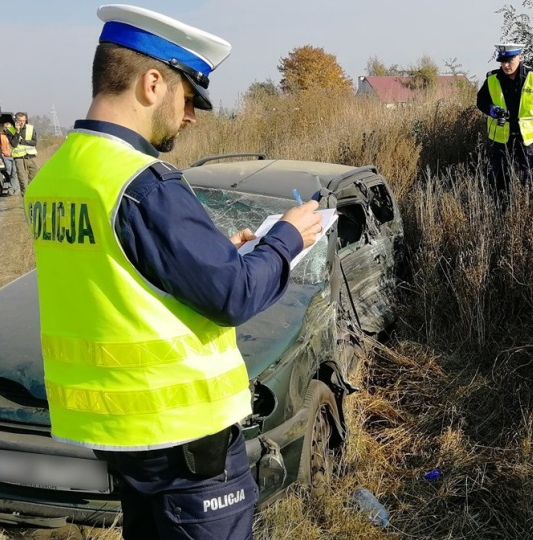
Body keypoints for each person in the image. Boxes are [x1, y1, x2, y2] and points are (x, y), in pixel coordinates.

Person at [23, 5, 322, 539]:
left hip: (116, 433)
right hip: (184, 441)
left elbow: (118, 276)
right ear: (152, 83)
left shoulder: (57, 175)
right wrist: (288, 237)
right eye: (189, 98)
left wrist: (206, 254)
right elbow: (234, 295)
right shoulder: (143, 184)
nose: (191, 116)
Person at [476, 43, 533, 200]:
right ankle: (502, 209)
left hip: (528, 139)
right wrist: (493, 110)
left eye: (510, 60)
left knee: (530, 176)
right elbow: (481, 102)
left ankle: (528, 209)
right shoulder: (492, 79)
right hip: (500, 138)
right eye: (502, 61)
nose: (506, 65)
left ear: (520, 57)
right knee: (498, 178)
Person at [10, 111, 38, 192]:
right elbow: (14, 144)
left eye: (23, 120)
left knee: (35, 177)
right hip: (19, 158)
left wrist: (23, 141)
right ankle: (25, 198)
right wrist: (17, 132)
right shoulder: (10, 130)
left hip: (31, 157)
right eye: (20, 121)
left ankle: (32, 193)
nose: (22, 123)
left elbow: (34, 142)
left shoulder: (31, 128)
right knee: (23, 181)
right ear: (16, 121)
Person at [0, 122, 20, 195]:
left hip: (14, 156)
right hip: (6, 156)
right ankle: (15, 187)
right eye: (5, 127)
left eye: (8, 128)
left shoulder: (14, 134)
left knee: (14, 172)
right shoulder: (0, 135)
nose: (6, 129)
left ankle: (13, 188)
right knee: (9, 172)